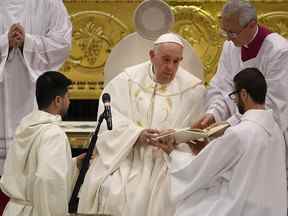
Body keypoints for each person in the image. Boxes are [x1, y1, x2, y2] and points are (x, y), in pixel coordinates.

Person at [77, 33, 206, 216]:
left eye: (176, 61)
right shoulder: (126, 81)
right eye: (166, 60)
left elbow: (198, 134)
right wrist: (137, 134)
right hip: (128, 154)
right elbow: (110, 122)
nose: (170, 68)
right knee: (116, 190)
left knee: (168, 193)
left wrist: (174, 137)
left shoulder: (193, 90)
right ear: (152, 56)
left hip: (169, 159)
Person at [160, 68, 287, 215]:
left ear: (244, 94)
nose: (235, 101)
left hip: (240, 207)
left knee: (188, 207)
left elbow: (200, 169)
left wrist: (173, 153)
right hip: (270, 210)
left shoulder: (240, 133)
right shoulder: (277, 131)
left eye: (234, 95)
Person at [194, 0, 288, 138]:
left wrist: (230, 124)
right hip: (236, 133)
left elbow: (273, 104)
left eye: (232, 33)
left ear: (251, 25)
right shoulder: (230, 46)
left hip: (267, 134)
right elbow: (221, 86)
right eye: (224, 31)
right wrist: (214, 114)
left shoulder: (279, 52)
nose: (227, 38)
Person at [0, 0, 72, 174]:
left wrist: (28, 43)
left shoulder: (49, 3)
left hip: (35, 91)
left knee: (35, 167)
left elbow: (62, 43)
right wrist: (5, 43)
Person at [0, 71, 82, 216]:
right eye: (67, 97)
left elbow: (29, 170)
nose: (69, 101)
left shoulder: (25, 126)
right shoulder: (53, 133)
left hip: (14, 210)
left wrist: (74, 164)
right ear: (58, 100)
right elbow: (48, 181)